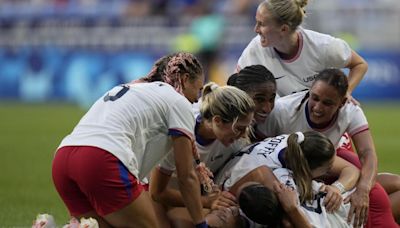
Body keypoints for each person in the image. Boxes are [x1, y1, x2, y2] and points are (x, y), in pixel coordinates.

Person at [52, 52, 209, 227]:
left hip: (63, 159)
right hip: (100, 157)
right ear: (185, 79)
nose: (197, 99)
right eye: (199, 89)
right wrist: (201, 224)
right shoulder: (179, 102)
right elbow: (186, 175)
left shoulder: (135, 88)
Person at [257, 68, 399, 227]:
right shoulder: (282, 110)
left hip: (325, 165)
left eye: (327, 103)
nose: (317, 107)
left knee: (376, 184)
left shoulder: (350, 111)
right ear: (309, 91)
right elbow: (259, 152)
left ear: (342, 102)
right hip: (293, 175)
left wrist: (361, 190)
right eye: (315, 98)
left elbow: (368, 153)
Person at [149, 82, 256, 227]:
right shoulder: (180, 132)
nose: (243, 135)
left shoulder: (237, 139)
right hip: (150, 188)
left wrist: (215, 194)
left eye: (247, 127)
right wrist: (206, 201)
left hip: (190, 193)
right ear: (217, 121)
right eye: (239, 128)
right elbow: (157, 193)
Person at [214, 131, 361, 227]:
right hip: (229, 183)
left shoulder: (297, 144)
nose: (329, 171)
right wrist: (291, 209)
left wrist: (337, 187)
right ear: (307, 170)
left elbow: (351, 170)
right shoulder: (273, 177)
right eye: (328, 169)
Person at [236, 0, 368, 103]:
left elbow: (360, 64)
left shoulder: (322, 46)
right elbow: (237, 85)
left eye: (262, 24)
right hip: (284, 121)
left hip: (319, 118)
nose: (256, 29)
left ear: (284, 29)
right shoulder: (255, 49)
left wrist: (346, 93)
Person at [227, 64, 277, 141]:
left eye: (271, 99)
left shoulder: (276, 119)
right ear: (241, 95)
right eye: (260, 100)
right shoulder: (222, 132)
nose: (267, 109)